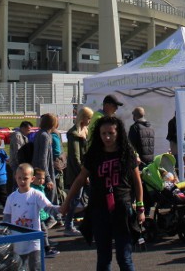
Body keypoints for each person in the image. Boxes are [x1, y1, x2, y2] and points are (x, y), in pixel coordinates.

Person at [61, 115, 145, 271]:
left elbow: (137, 182)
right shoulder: (94, 154)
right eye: (103, 133)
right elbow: (80, 179)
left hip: (122, 209)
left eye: (111, 133)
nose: (107, 137)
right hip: (100, 210)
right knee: (103, 258)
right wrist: (67, 202)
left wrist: (140, 207)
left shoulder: (127, 153)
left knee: (124, 257)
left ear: (118, 133)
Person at [4, 163, 60, 271]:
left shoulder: (36, 195)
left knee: (36, 267)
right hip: (17, 241)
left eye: (25, 178)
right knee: (19, 268)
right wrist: (5, 236)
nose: (22, 181)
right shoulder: (11, 198)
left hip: (34, 240)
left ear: (32, 178)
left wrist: (61, 209)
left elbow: (49, 207)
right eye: (19, 178)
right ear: (15, 177)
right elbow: (6, 219)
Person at [63, 106, 93, 235]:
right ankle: (68, 225)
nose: (90, 121)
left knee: (85, 198)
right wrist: (83, 174)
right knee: (76, 198)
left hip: (84, 170)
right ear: (83, 118)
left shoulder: (84, 131)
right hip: (78, 172)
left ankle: (84, 223)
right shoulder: (74, 133)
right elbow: (75, 157)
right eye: (89, 118)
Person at [32, 113, 59, 205]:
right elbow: (43, 159)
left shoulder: (40, 134)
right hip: (44, 172)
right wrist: (48, 178)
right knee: (49, 197)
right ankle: (52, 218)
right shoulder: (45, 136)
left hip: (37, 171)